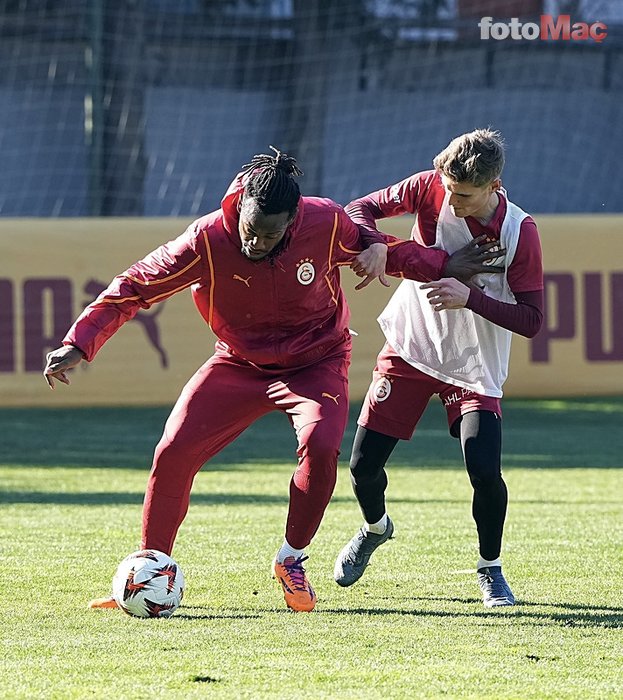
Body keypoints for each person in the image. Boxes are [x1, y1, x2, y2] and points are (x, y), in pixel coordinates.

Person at [43, 147, 502, 613]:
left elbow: (386, 251)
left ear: (292, 221)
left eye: (270, 234)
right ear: (238, 208)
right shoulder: (205, 240)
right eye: (251, 230)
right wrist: (79, 343)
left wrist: (444, 265)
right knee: (173, 449)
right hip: (237, 363)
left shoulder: (322, 223)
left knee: (323, 446)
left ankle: (291, 559)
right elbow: (133, 286)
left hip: (317, 362)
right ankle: (152, 565)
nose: (256, 243)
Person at [333, 129, 544, 608]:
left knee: (484, 469)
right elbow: (357, 210)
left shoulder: (519, 232)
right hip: (412, 346)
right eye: (448, 188)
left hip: (474, 364)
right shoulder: (431, 185)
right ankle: (375, 529)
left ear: (495, 186)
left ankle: (491, 569)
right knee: (363, 466)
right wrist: (395, 250)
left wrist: (469, 295)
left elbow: (532, 322)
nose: (451, 199)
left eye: (464, 195)